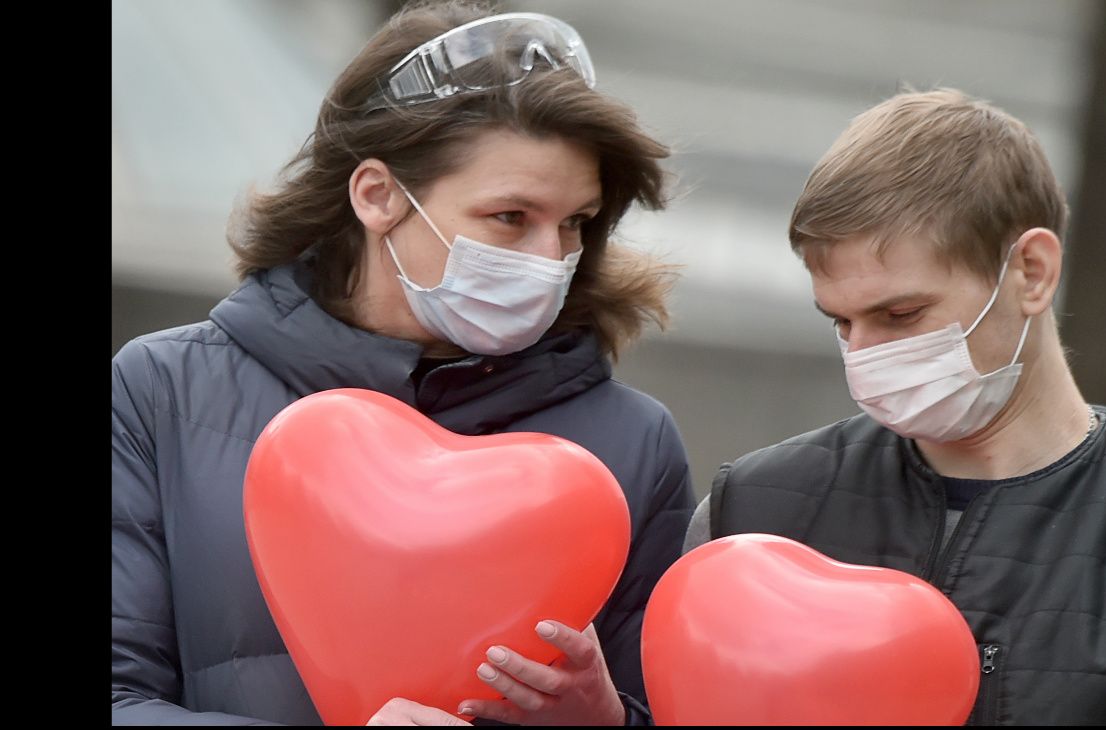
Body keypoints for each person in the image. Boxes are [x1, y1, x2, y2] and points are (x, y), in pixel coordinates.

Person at [112, 2, 695, 725]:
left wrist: (605, 721)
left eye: (574, 222)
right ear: (377, 195)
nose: (552, 260)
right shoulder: (163, 391)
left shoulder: (634, 443)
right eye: (510, 217)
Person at [682, 88, 1106, 725]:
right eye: (841, 322)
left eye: (901, 314)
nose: (864, 356)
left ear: (1032, 272)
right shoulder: (753, 507)